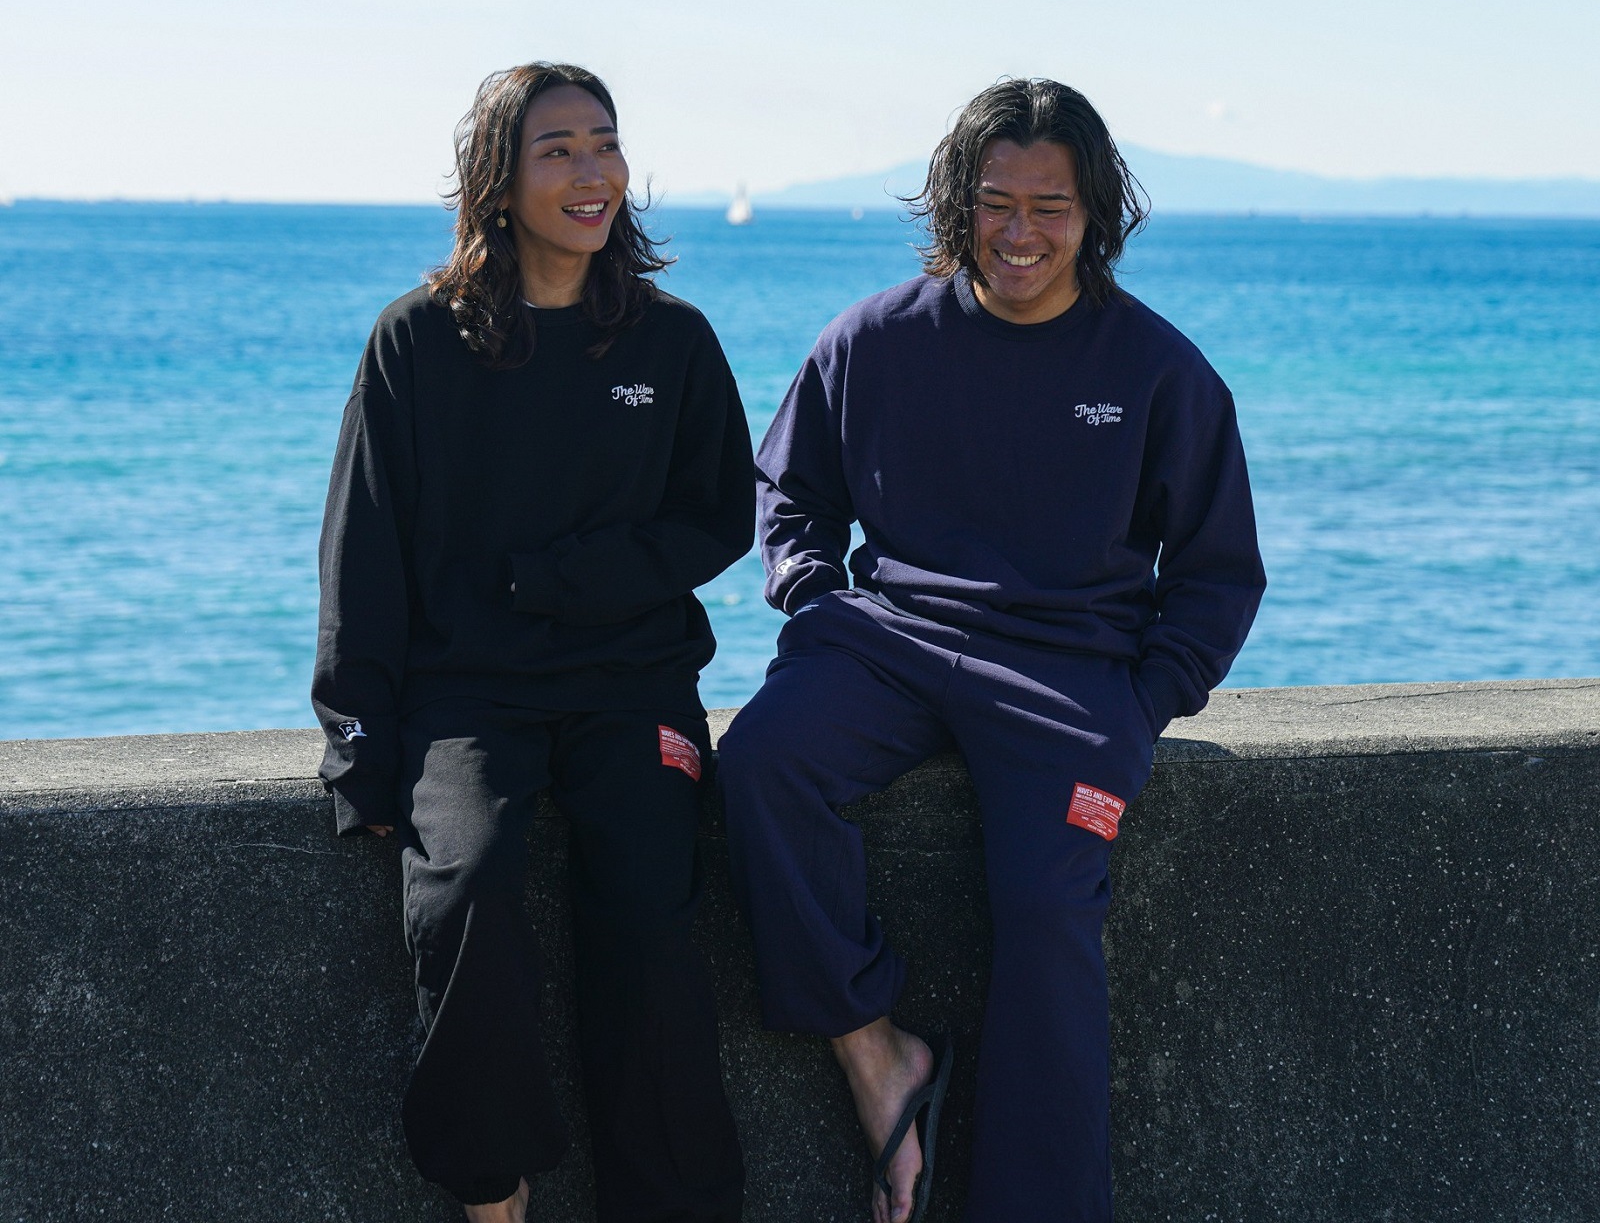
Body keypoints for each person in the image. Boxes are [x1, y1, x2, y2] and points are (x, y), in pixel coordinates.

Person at [717, 77, 1266, 1223]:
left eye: (1049, 207)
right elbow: (789, 494)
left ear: (1093, 211)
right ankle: (875, 1051)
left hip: (1070, 675)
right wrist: (813, 598)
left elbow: (1216, 574)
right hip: (887, 643)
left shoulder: (1155, 368)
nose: (1020, 233)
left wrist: (1143, 701)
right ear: (956, 203)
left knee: (1046, 907)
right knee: (763, 760)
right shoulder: (874, 338)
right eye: (995, 203)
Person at [311, 62, 752, 1223]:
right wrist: (358, 744)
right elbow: (363, 548)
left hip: (633, 684)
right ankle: (492, 1190)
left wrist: (565, 579)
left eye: (604, 143)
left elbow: (719, 515)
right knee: (466, 888)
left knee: (652, 919)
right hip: (469, 695)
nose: (590, 170)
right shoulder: (416, 341)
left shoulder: (670, 340)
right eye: (556, 149)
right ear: (498, 181)